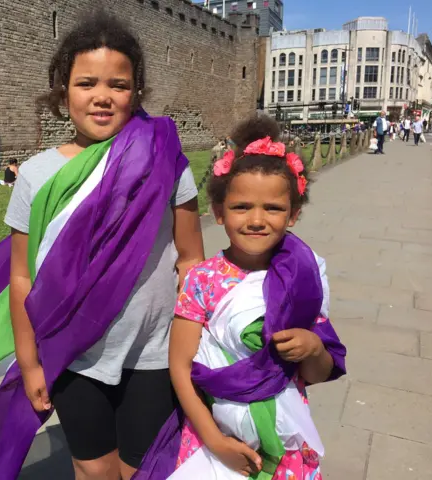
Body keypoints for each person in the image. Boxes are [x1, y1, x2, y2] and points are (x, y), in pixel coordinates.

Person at [0, 11, 205, 480]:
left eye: (119, 84)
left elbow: (192, 260)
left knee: (143, 469)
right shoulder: (36, 174)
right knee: (93, 469)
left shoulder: (164, 159)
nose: (102, 97)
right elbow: (21, 276)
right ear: (63, 91)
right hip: (72, 351)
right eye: (86, 82)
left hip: (155, 350)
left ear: (136, 92)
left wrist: (205, 340)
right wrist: (30, 364)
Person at [134, 116, 346, 480]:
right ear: (218, 213)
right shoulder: (202, 279)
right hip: (213, 432)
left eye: (274, 208)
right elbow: (181, 368)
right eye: (241, 207)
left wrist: (313, 347)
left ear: (294, 215)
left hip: (285, 436)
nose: (257, 220)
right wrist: (216, 442)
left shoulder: (303, 277)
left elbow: (317, 372)